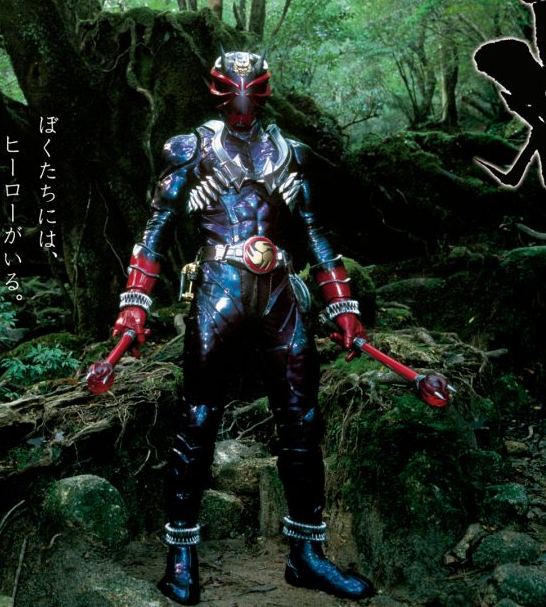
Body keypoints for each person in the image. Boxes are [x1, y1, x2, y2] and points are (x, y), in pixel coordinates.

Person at [111, 50, 375, 604]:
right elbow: (157, 226)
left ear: (264, 92)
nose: (241, 103)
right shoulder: (190, 149)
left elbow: (314, 231)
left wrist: (341, 305)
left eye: (250, 91)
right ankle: (181, 556)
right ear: (216, 91)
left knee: (302, 419)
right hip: (218, 287)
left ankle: (307, 554)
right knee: (199, 417)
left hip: (280, 289)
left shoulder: (292, 154)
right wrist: (135, 303)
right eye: (232, 92)